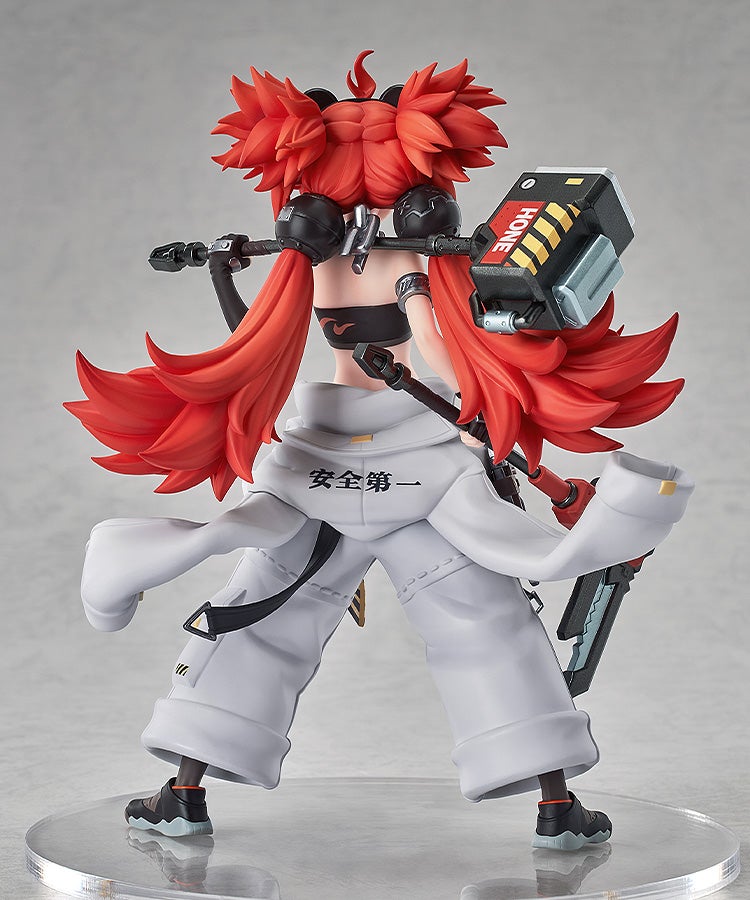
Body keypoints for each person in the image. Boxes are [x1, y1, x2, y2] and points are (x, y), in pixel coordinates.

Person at [66, 52, 692, 849]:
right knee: (480, 625)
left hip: (352, 470)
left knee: (262, 620)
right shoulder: (367, 264)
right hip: (387, 469)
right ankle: (555, 807)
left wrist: (403, 288)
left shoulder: (330, 265)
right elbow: (400, 356)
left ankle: (185, 793)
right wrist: (414, 295)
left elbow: (289, 342)